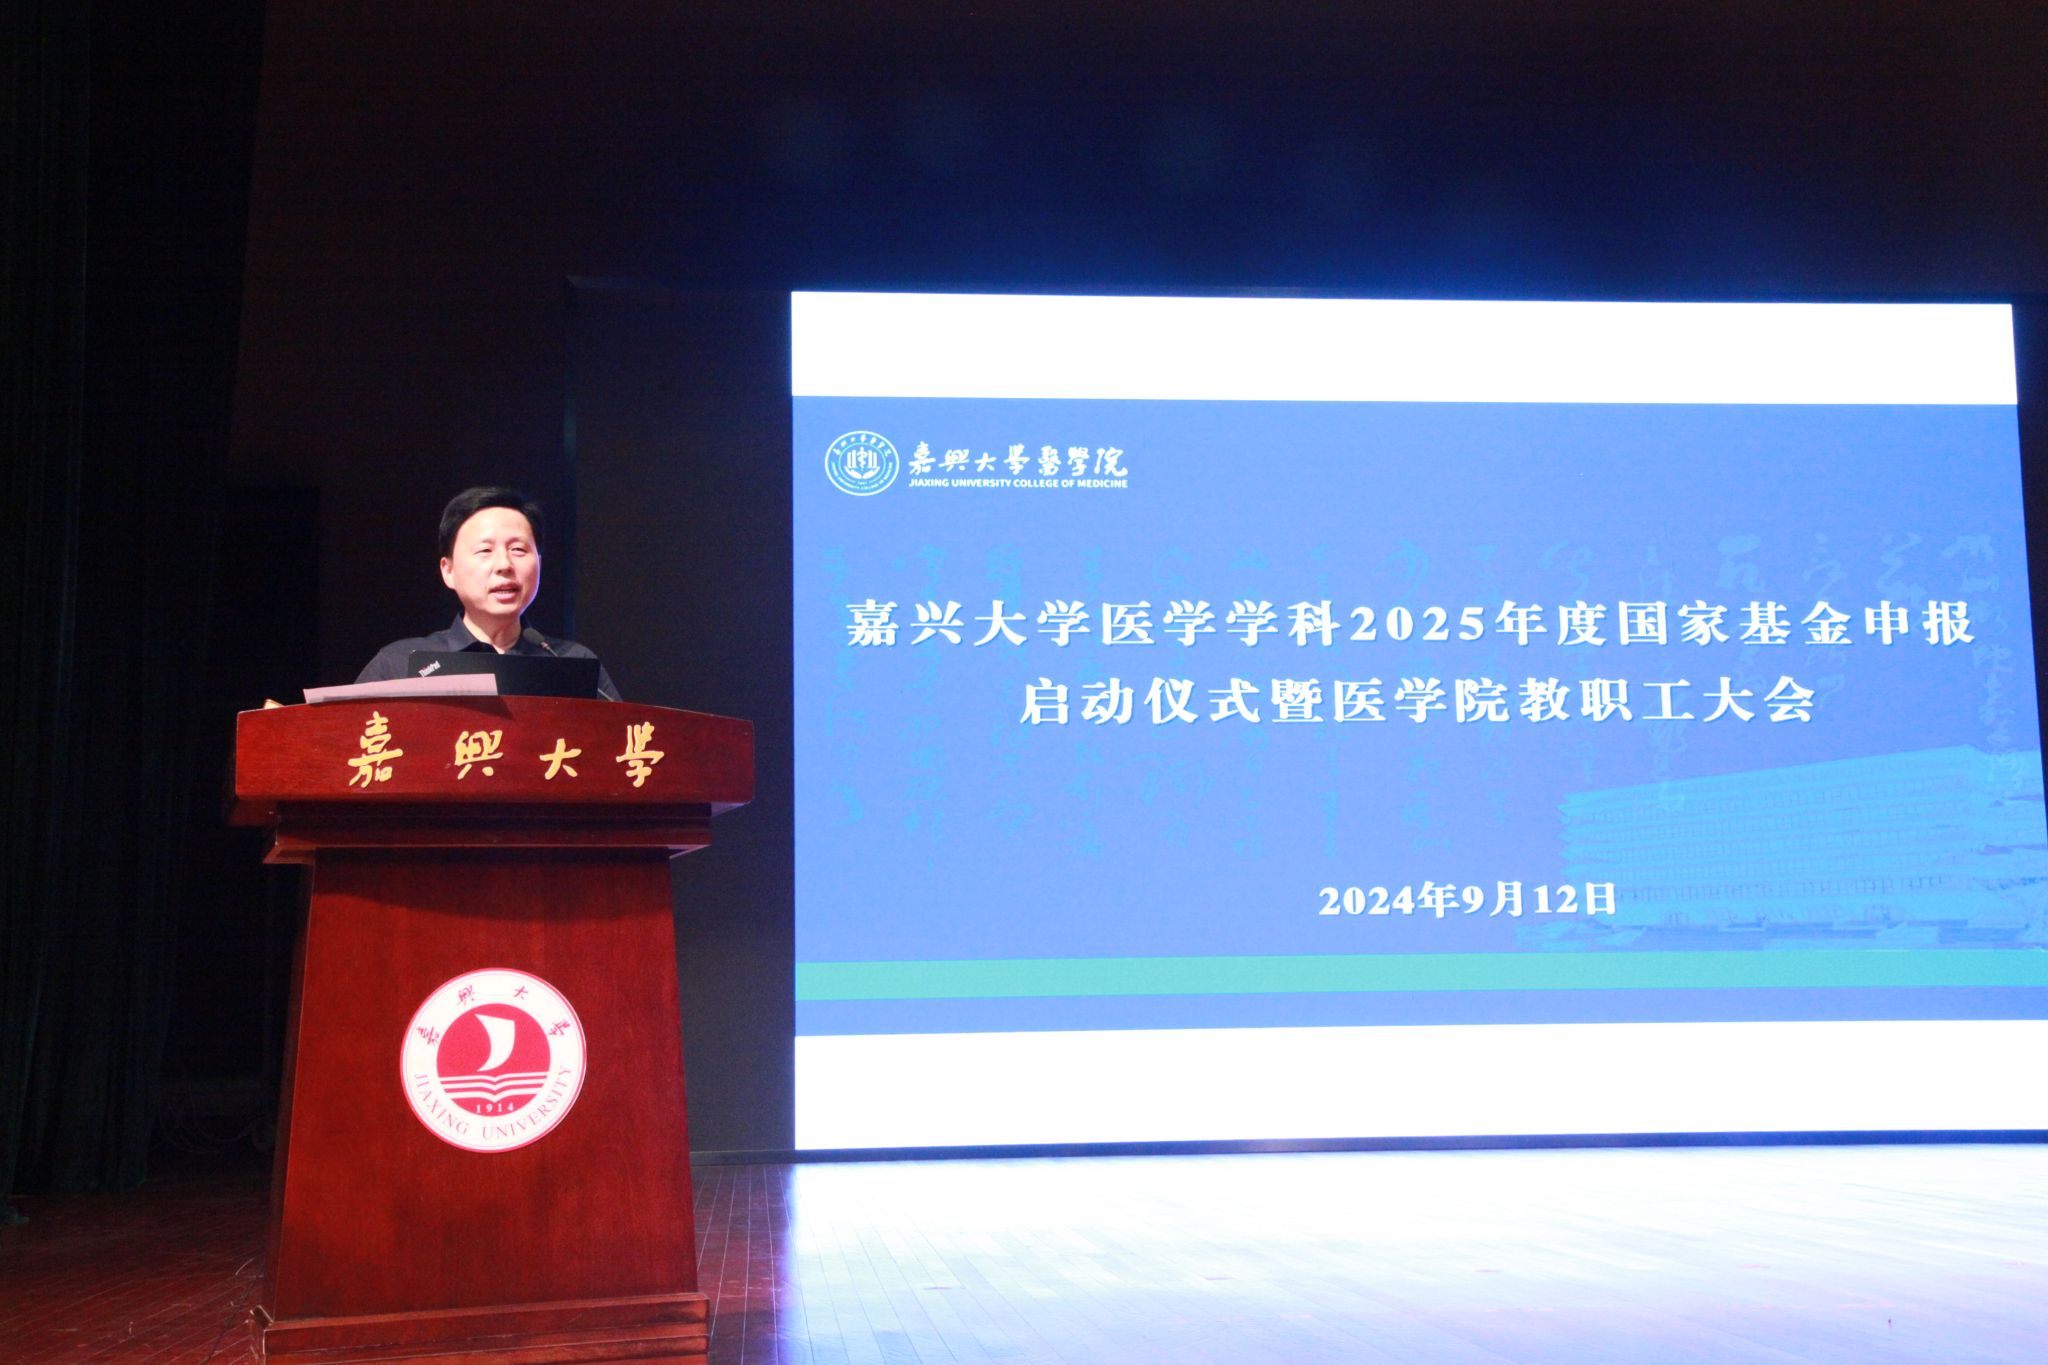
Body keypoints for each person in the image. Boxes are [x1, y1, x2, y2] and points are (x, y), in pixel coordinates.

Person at [357, 486, 620, 700]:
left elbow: (623, 742)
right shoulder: (398, 663)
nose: (504, 564)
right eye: (485, 550)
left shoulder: (572, 662)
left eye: (518, 549)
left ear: (539, 563)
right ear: (448, 570)